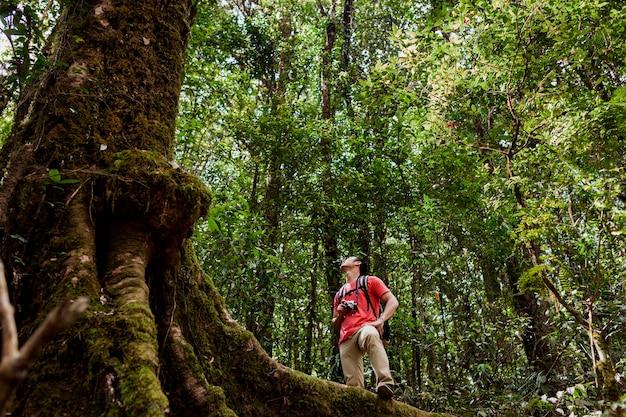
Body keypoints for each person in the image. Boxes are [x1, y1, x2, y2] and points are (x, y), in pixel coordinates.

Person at [332, 256, 399, 399]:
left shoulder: (370, 281)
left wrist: (380, 320)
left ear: (358, 263)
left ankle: (385, 383)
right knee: (354, 390)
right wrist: (340, 313)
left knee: (370, 334)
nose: (344, 260)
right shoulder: (340, 293)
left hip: (365, 327)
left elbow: (393, 301)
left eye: (348, 258)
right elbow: (335, 325)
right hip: (345, 337)